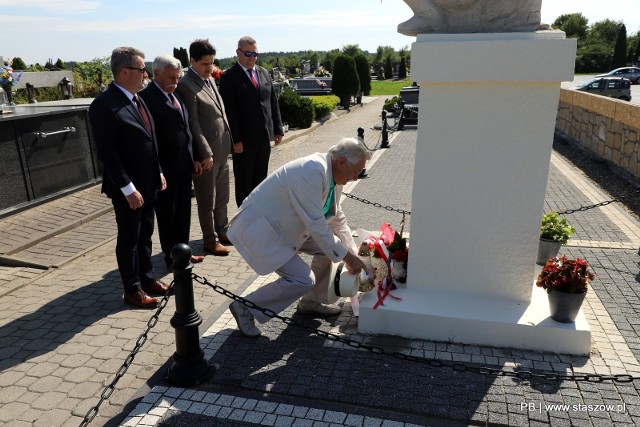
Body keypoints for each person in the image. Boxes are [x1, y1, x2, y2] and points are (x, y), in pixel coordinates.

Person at [226, 138, 371, 337]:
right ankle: (246, 307)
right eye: (356, 171)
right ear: (342, 161)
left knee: (329, 251)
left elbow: (337, 218)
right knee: (303, 280)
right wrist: (348, 257)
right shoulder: (311, 170)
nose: (356, 177)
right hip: (263, 231)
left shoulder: (334, 177)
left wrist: (352, 254)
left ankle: (311, 301)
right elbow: (317, 224)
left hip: (286, 229)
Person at [89, 47, 170, 309]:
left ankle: (147, 278)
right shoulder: (104, 105)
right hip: (129, 189)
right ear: (124, 72)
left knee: (145, 234)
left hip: (148, 183)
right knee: (129, 239)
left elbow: (150, 137)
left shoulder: (138, 98)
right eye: (141, 69)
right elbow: (108, 154)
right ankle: (131, 289)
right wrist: (127, 188)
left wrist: (157, 171)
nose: (145, 74)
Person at [139, 55, 204, 268]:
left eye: (177, 78)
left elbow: (186, 129)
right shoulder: (146, 99)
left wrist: (194, 157)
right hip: (165, 169)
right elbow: (150, 139)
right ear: (156, 73)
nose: (175, 82)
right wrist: (157, 169)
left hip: (183, 166)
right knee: (168, 215)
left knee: (183, 212)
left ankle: (183, 251)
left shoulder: (176, 96)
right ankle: (171, 255)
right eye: (171, 78)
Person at [176, 39, 232, 256]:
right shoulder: (186, 85)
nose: (210, 68)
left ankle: (223, 230)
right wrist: (204, 152)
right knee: (206, 200)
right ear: (192, 61)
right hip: (207, 154)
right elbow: (193, 122)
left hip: (222, 149)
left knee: (223, 196)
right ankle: (210, 240)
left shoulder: (208, 80)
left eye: (212, 63)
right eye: (205, 64)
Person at [219, 35, 284, 207]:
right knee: (244, 184)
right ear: (238, 53)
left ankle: (258, 218)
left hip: (263, 138)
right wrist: (236, 139)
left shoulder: (263, 73)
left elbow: (272, 102)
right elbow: (230, 111)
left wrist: (277, 129)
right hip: (244, 142)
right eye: (248, 53)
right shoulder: (229, 77)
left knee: (260, 182)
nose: (252, 58)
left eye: (255, 54)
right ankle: (243, 222)